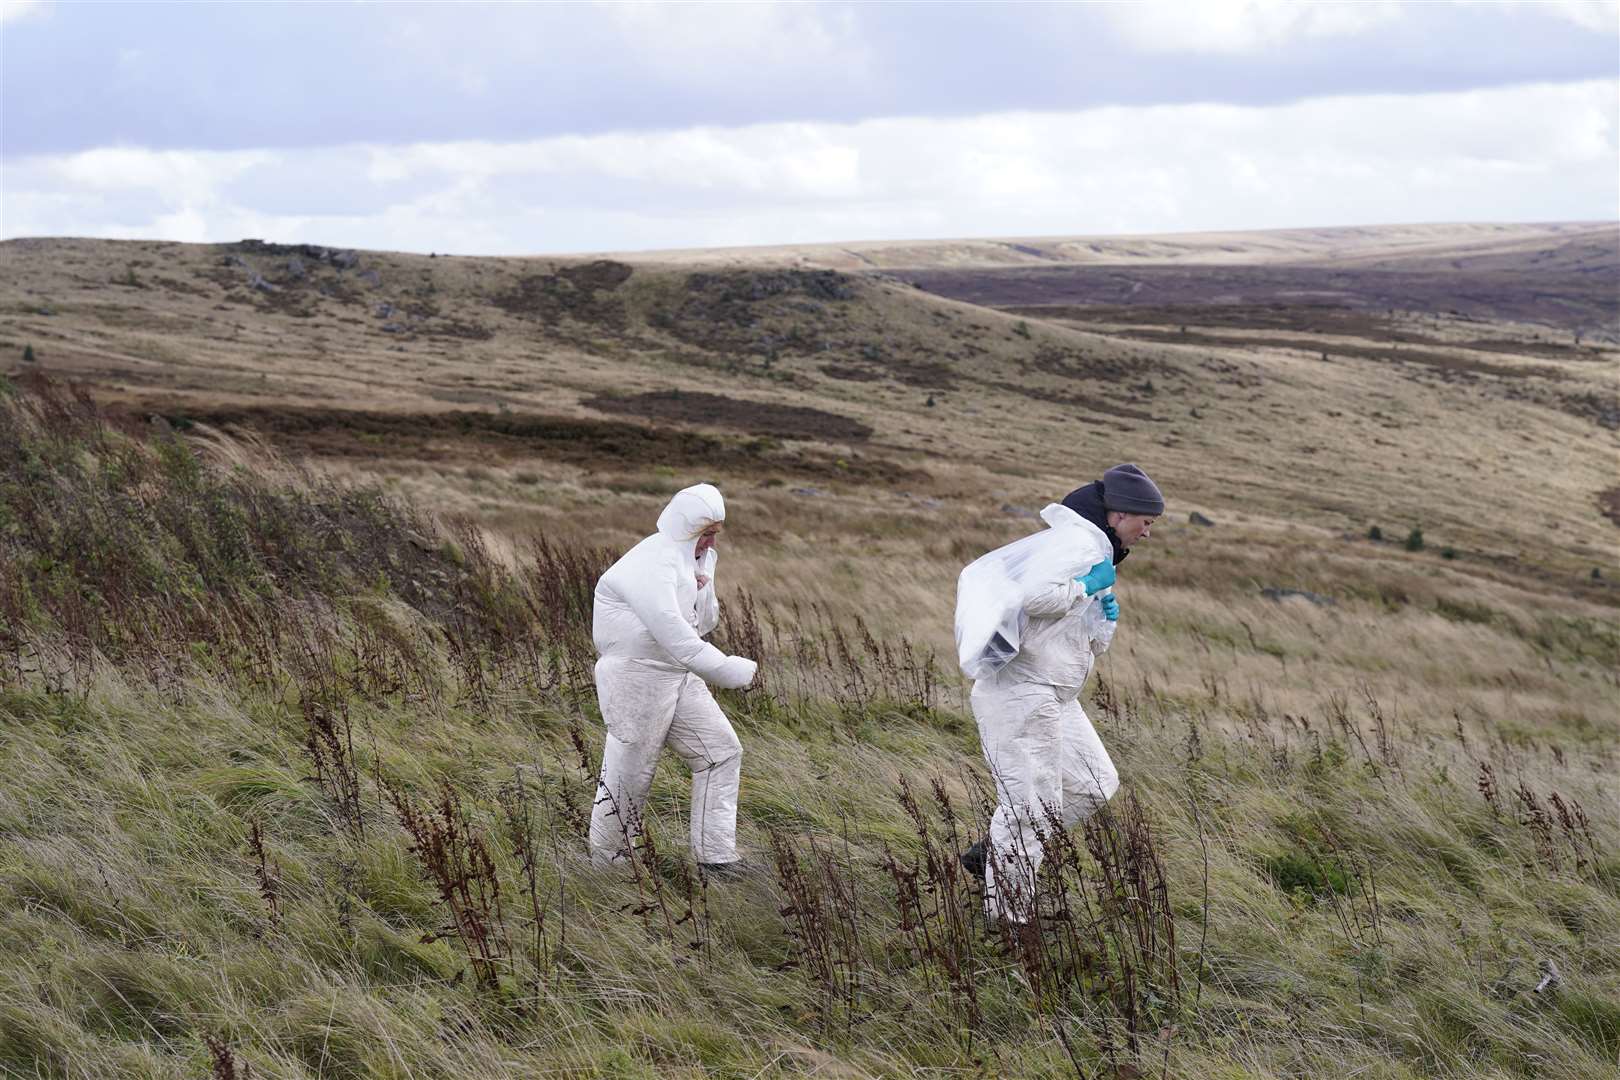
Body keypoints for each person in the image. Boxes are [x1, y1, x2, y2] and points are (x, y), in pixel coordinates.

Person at [953, 463, 1163, 924]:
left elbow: (1082, 639)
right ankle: (1007, 922)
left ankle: (991, 855)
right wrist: (1085, 586)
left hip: (1056, 694)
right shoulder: (1080, 544)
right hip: (1021, 691)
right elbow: (1035, 596)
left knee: (1094, 784)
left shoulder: (1095, 547)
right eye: (1145, 523)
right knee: (1029, 807)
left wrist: (1103, 613)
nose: (1147, 534)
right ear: (1119, 514)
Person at [588, 483, 758, 875]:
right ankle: (608, 868)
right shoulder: (652, 561)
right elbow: (678, 637)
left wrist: (703, 581)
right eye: (707, 533)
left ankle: (716, 857)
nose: (713, 541)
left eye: (715, 533)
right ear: (686, 528)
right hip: (636, 678)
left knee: (721, 752)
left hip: (677, 676)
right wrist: (729, 669)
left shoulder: (689, 560)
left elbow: (704, 624)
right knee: (629, 772)